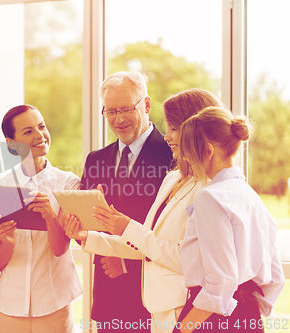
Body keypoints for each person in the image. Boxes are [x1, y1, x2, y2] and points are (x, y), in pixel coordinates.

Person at [64, 89, 222, 333]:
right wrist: (88, 237)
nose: (168, 136)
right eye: (111, 111)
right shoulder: (174, 178)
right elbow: (148, 238)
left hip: (181, 308)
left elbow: (192, 260)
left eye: (173, 128)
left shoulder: (211, 189)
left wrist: (126, 230)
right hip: (154, 307)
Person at [173, 107, 285, 333]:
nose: (185, 158)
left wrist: (184, 328)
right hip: (248, 316)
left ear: (208, 150)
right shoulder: (250, 195)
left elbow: (221, 281)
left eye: (188, 151)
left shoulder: (210, 197)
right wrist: (248, 314)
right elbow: (275, 275)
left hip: (212, 319)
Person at [79, 71, 172, 331]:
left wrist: (126, 261)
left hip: (152, 296)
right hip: (108, 296)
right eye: (110, 112)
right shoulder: (95, 160)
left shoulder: (173, 155)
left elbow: (173, 232)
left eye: (126, 109)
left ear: (147, 105)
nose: (118, 120)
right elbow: (87, 226)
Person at [0, 104, 82, 333]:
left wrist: (51, 217)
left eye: (41, 127)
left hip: (53, 304)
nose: (40, 135)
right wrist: (7, 242)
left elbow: (60, 249)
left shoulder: (67, 184)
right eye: (28, 131)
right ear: (12, 143)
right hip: (8, 306)